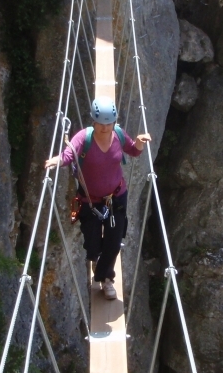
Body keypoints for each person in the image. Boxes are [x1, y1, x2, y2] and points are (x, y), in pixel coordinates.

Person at [45, 97, 151, 299]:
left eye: (109, 123)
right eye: (101, 123)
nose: (105, 127)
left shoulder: (118, 134)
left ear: (114, 122)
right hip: (89, 201)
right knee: (92, 244)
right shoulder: (83, 138)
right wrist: (56, 161)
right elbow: (69, 155)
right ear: (93, 121)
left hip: (116, 197)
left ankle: (106, 279)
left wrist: (138, 143)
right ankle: (96, 258)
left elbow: (133, 151)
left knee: (113, 241)